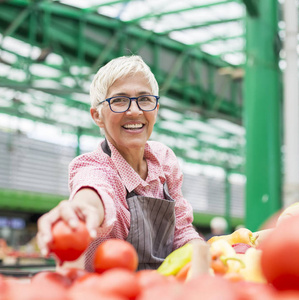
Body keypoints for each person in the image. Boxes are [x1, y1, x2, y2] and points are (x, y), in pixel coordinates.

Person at [36, 55, 203, 271]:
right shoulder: (93, 166)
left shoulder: (164, 160)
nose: (134, 111)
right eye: (119, 100)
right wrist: (81, 211)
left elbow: (181, 230)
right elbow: (93, 191)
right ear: (97, 116)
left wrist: (206, 255)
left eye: (145, 99)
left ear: (156, 108)